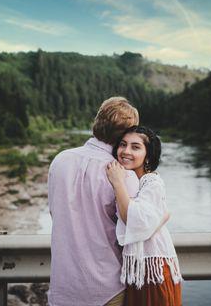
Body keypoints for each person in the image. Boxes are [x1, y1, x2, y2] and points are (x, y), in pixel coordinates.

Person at [48, 97, 139, 306]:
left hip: (63, 288)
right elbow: (133, 231)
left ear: (97, 122)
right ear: (126, 134)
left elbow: (56, 213)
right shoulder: (122, 174)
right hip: (107, 289)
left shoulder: (60, 160)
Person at [106, 125, 182, 306]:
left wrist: (117, 183)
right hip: (137, 271)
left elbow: (133, 220)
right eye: (123, 145)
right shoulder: (132, 180)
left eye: (135, 147)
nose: (125, 151)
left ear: (148, 155)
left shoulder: (152, 182)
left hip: (153, 273)